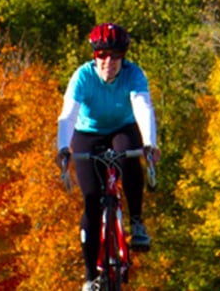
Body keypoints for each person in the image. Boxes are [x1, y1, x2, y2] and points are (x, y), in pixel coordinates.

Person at [56, 23, 160, 291]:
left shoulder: (133, 74)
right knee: (91, 201)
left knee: (129, 156)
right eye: (102, 55)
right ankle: (90, 277)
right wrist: (63, 148)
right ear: (95, 56)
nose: (108, 62)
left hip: (121, 129)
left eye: (115, 55)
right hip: (87, 133)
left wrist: (150, 143)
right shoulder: (82, 77)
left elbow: (142, 106)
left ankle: (136, 221)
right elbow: (68, 115)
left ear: (123, 58)